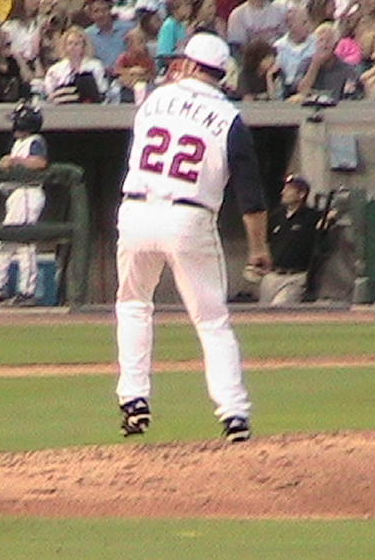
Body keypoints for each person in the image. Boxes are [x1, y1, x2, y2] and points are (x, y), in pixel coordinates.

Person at [115, 32, 270, 443]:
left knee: (133, 304)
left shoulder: (153, 100)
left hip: (135, 210)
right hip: (188, 216)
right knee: (211, 320)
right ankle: (233, 413)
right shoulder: (229, 117)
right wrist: (258, 246)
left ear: (188, 64)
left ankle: (133, 399)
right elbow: (250, 192)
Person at [0, 102, 49, 308]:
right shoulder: (19, 143)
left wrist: (15, 161)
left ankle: (27, 292)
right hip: (15, 195)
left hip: (28, 193)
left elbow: (40, 163)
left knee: (23, 243)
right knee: (5, 242)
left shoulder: (36, 140)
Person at [257, 174, 320, 307]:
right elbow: (265, 241)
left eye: (289, 189)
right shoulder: (276, 216)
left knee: (280, 309)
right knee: (263, 314)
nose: (283, 192)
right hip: (272, 276)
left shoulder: (311, 216)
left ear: (301, 194)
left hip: (295, 277)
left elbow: (332, 216)